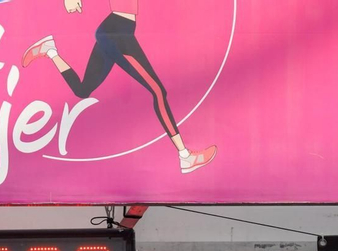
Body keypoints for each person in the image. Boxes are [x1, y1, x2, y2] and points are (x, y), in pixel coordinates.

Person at [23, 3, 216, 176]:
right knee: (158, 91)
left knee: (82, 90)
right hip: (117, 32)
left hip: (114, 31)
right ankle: (185, 156)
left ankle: (49, 50)